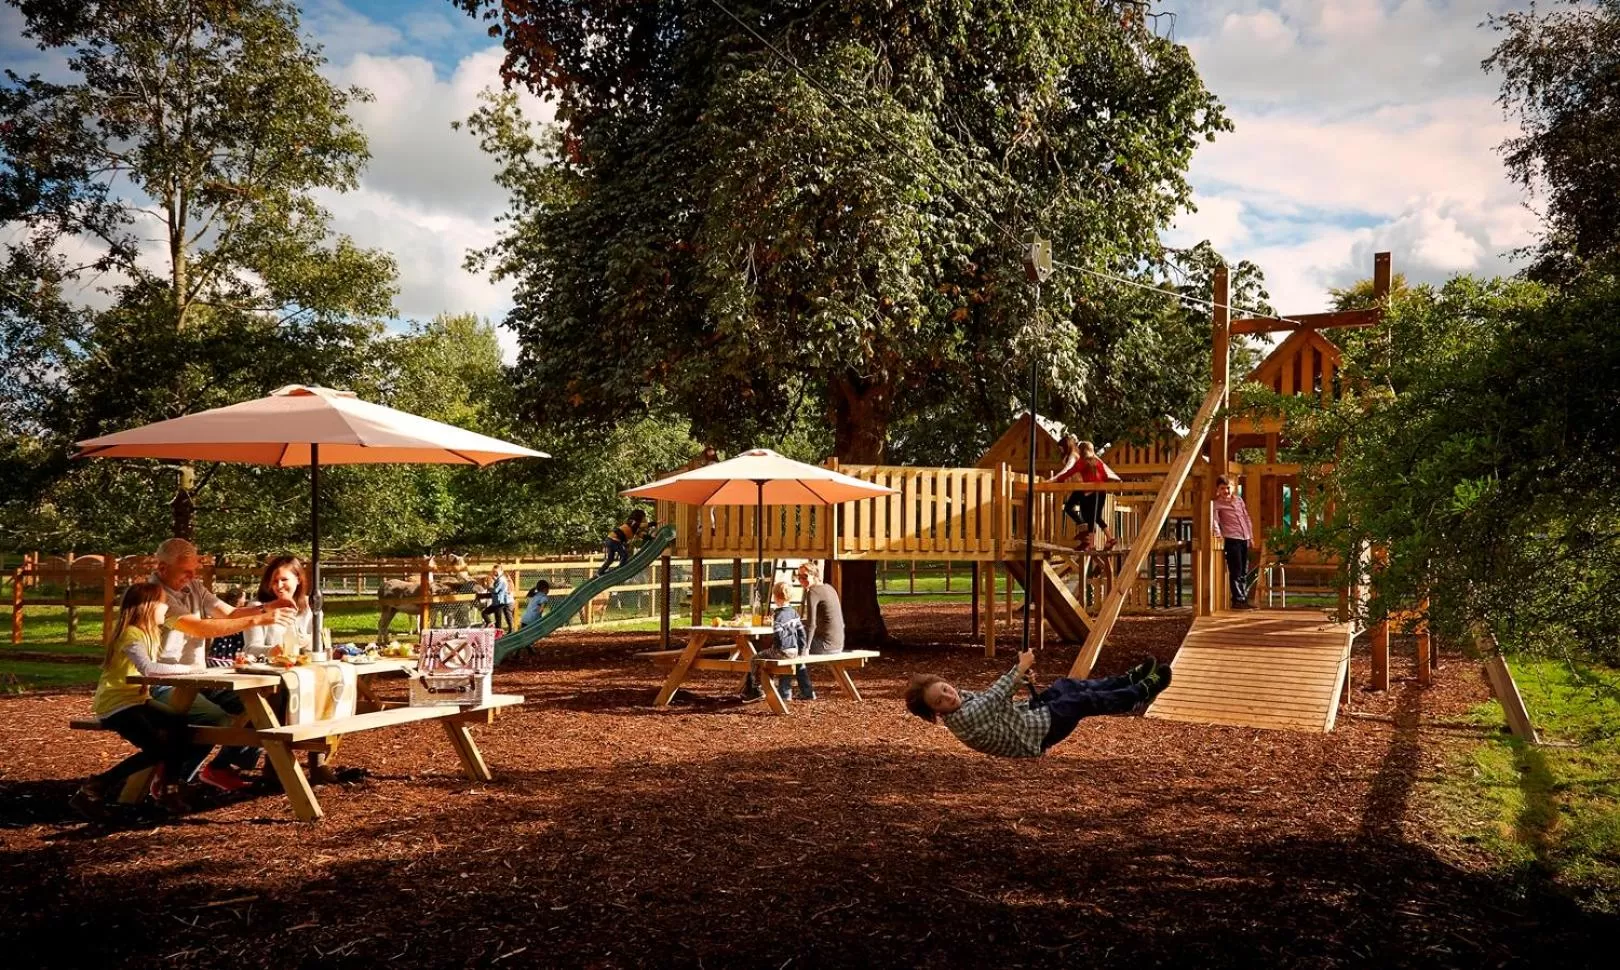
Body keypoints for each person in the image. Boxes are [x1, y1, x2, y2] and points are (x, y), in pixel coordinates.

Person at [149, 539, 296, 790]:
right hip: (161, 681)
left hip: (198, 676)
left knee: (267, 700)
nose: (193, 577)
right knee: (214, 717)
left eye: (195, 570)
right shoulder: (154, 596)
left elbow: (228, 613)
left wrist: (267, 607)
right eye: (186, 571)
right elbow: (200, 628)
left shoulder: (194, 587)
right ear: (162, 568)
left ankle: (222, 767)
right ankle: (172, 777)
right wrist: (259, 620)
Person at [71, 582, 212, 818]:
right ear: (148, 607)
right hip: (117, 704)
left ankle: (169, 789)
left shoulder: (150, 633)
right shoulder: (131, 634)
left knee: (180, 725)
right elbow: (148, 668)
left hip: (137, 700)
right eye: (163, 604)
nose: (166, 608)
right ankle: (94, 787)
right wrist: (188, 669)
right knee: (157, 748)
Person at [904, 649, 1173, 758]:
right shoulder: (962, 720)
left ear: (946, 682)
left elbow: (999, 701)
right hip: (1035, 734)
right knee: (1081, 700)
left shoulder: (962, 699)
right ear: (936, 713)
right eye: (940, 701)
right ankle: (1137, 695)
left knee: (1067, 686)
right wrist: (1019, 668)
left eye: (945, 689)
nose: (948, 697)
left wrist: (1022, 680)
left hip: (1027, 717)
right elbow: (994, 697)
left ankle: (1125, 681)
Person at [741, 581, 814, 703]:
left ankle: (757, 689)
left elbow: (778, 635)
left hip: (781, 650)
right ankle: (784, 694)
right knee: (772, 658)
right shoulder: (794, 613)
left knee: (755, 659)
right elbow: (802, 633)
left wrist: (777, 647)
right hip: (794, 650)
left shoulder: (778, 615)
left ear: (776, 597)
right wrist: (802, 649)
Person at [1049, 435, 1122, 551]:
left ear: (1082, 451)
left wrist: (1057, 479)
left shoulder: (1082, 462)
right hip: (1101, 491)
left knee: (1091, 517)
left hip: (1091, 491)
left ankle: (1091, 544)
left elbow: (1070, 472)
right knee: (1095, 516)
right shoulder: (1098, 462)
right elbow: (1104, 475)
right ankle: (1109, 538)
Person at [242, 556, 314, 657]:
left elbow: (316, 645)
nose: (279, 586)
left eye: (284, 579)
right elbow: (250, 649)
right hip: (268, 666)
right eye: (275, 581)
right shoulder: (257, 608)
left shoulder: (308, 607)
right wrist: (274, 651)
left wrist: (308, 642)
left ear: (298, 579)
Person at [1212, 476, 1256, 609]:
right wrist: (1218, 535)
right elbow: (1215, 521)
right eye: (1222, 488)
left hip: (1244, 538)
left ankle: (1243, 598)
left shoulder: (1238, 500)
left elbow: (1246, 518)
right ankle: (1238, 600)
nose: (1226, 491)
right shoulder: (1216, 504)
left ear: (1233, 488)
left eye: (1228, 488)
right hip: (1232, 539)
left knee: (1243, 570)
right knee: (1236, 570)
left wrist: (1250, 537)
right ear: (1218, 489)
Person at [205, 588, 249, 667]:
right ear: (237, 598)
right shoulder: (227, 610)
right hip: (225, 646)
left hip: (237, 644)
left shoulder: (243, 611)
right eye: (244, 597)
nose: (245, 600)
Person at [600, 509, 651, 575]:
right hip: (614, 540)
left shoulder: (634, 528)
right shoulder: (632, 522)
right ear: (639, 517)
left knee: (610, 559)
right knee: (624, 554)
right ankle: (622, 570)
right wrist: (654, 523)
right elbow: (642, 525)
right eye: (644, 518)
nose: (645, 520)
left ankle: (600, 572)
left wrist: (651, 537)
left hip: (609, 539)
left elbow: (642, 535)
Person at [482, 565, 514, 632]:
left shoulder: (501, 580)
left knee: (498, 619)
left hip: (499, 602)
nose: (494, 573)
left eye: (496, 572)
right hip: (496, 602)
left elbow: (496, 590)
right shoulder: (499, 579)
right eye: (493, 571)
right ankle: (492, 625)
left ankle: (499, 632)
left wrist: (489, 588)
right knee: (486, 614)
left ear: (501, 571)